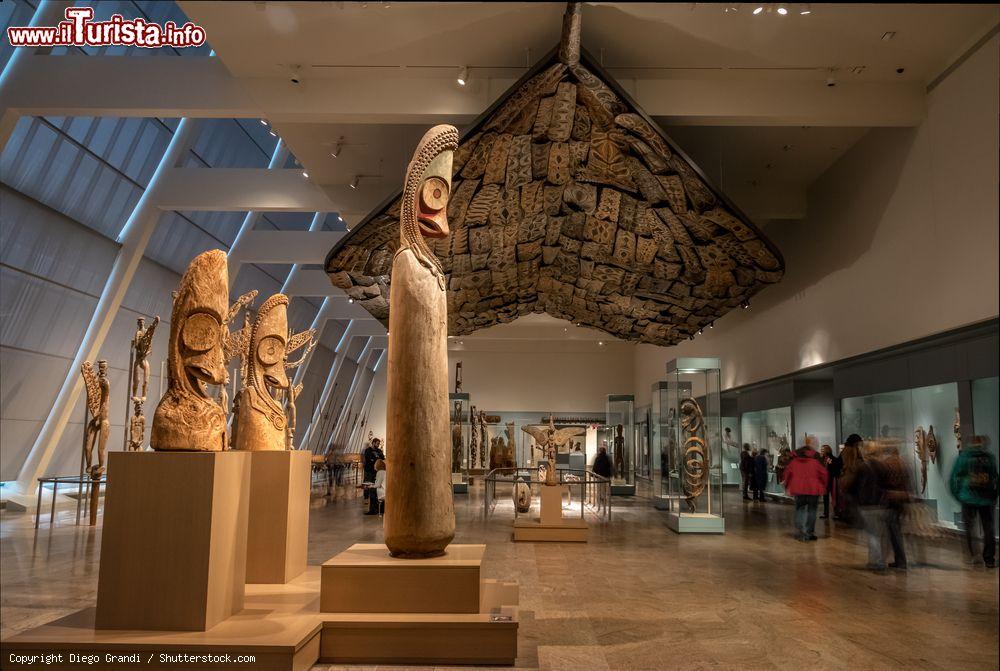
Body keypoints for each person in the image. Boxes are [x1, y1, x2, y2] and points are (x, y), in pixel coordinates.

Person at [949, 436, 999, 568]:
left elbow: (954, 477)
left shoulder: (963, 457)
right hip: (986, 499)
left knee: (970, 528)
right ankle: (989, 558)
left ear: (971, 444)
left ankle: (974, 556)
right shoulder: (989, 458)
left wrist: (958, 495)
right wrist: (994, 495)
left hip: (968, 498)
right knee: (989, 529)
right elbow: (995, 477)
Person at [850, 442, 888, 571]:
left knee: (873, 534)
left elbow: (854, 485)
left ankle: (877, 561)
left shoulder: (862, 467)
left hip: (867, 504)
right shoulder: (883, 466)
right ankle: (876, 559)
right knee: (878, 534)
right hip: (881, 503)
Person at [782, 443, 828, 541]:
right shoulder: (815, 462)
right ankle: (809, 533)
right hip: (813, 489)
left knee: (799, 509)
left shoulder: (794, 462)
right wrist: (824, 485)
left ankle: (799, 531)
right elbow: (824, 474)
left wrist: (786, 486)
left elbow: (787, 474)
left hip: (798, 489)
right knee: (812, 511)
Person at [879, 441, 910, 570]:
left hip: (892, 499)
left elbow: (883, 482)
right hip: (902, 498)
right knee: (895, 531)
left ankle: (901, 561)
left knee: (894, 532)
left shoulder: (887, 464)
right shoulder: (903, 464)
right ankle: (899, 559)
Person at [838, 434, 865, 524]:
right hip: (851, 478)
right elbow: (852, 465)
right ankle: (852, 518)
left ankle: (849, 517)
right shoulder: (851, 451)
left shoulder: (845, 450)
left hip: (846, 478)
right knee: (852, 499)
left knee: (849, 499)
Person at [362, 437, 385, 516]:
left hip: (378, 472)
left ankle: (376, 509)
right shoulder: (368, 451)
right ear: (373, 443)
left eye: (379, 444)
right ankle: (372, 508)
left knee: (376, 490)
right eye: (377, 444)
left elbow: (382, 459)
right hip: (370, 472)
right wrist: (376, 461)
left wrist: (377, 460)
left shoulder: (379, 451)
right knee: (371, 489)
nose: (378, 445)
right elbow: (370, 460)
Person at [820, 444, 843, 519]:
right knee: (826, 497)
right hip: (826, 480)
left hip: (832, 480)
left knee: (834, 497)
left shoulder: (831, 459)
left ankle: (836, 513)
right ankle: (826, 513)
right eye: (821, 450)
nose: (821, 451)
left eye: (823, 450)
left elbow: (835, 469)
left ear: (827, 450)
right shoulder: (823, 459)